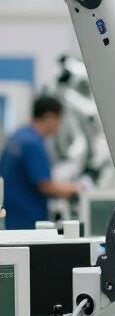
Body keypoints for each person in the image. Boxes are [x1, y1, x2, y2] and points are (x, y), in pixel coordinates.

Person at [0, 95, 80, 230]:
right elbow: (45, 186)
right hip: (27, 220)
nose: (58, 126)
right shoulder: (32, 144)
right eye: (58, 120)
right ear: (49, 117)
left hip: (12, 216)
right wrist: (76, 189)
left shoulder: (18, 136)